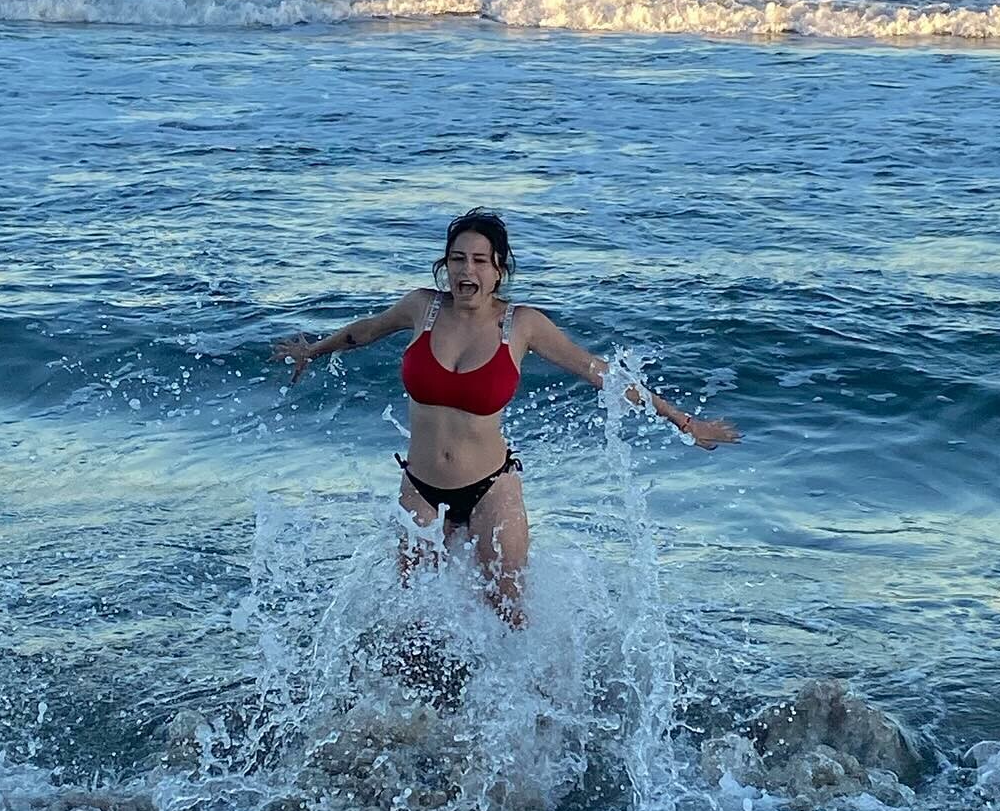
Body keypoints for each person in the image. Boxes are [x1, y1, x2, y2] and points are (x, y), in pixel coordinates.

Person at [271, 210, 739, 628]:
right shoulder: (422, 307)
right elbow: (365, 332)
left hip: (491, 489)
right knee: (412, 616)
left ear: (499, 269)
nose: (466, 270)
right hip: (420, 488)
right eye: (457, 259)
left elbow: (598, 372)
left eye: (480, 260)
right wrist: (313, 351)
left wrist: (682, 421)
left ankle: (536, 698)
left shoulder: (522, 324)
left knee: (508, 613)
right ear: (445, 265)